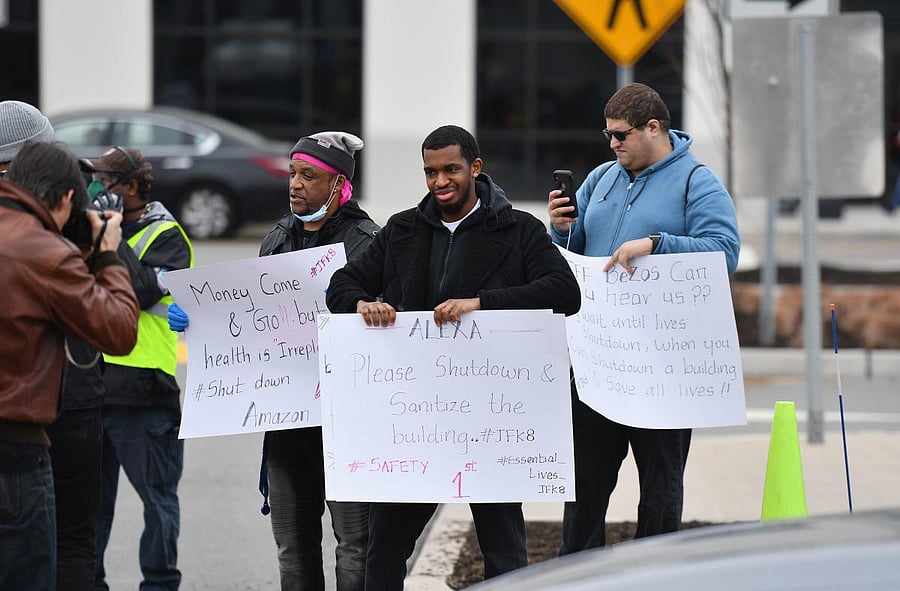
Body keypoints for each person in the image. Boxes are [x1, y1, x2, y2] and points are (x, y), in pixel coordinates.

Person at [325, 124, 581, 590]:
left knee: (505, 552)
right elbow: (341, 286)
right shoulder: (402, 229)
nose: (440, 181)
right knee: (385, 551)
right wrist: (365, 304)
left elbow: (566, 292)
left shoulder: (518, 229)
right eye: (430, 172)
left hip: (490, 423)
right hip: (415, 422)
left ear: (475, 168)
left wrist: (481, 303)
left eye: (451, 170)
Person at [169, 131, 377, 591]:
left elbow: (385, 324)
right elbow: (249, 319)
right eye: (292, 173)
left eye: (309, 175)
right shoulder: (276, 240)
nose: (295, 184)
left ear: (339, 184)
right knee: (292, 546)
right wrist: (200, 321)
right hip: (286, 426)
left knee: (356, 546)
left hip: (347, 425)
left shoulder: (367, 244)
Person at [546, 82, 740, 553]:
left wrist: (658, 243)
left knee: (659, 490)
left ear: (654, 127)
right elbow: (578, 257)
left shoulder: (697, 181)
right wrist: (562, 229)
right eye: (608, 135)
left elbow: (725, 252)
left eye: (621, 135)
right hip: (599, 361)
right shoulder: (601, 178)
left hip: (665, 368)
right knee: (585, 487)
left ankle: (653, 576)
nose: (613, 145)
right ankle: (578, 579)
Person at [0, 100, 135, 591]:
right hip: (30, 432)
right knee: (68, 542)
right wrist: (103, 253)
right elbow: (119, 330)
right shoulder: (42, 248)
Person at [82, 146, 194, 591]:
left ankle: (160, 583)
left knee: (158, 502)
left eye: (105, 179)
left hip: (146, 390)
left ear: (131, 187)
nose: (96, 188)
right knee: (90, 506)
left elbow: (144, 290)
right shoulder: (86, 226)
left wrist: (109, 238)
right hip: (92, 385)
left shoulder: (167, 235)